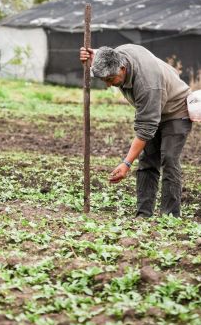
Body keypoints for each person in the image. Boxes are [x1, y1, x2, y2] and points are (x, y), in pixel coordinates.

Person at [80, 44, 192, 218]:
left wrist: (126, 163)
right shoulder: (117, 55)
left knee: (169, 159)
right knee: (147, 159)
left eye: (111, 80)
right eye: (104, 81)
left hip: (176, 111)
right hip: (154, 107)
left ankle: (170, 217)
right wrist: (91, 54)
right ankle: (143, 214)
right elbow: (104, 55)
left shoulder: (147, 84)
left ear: (123, 69)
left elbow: (145, 129)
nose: (109, 85)